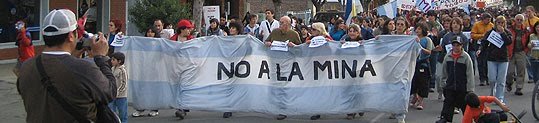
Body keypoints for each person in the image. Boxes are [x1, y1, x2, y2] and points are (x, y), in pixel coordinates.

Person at [17, 9, 117, 122]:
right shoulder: (83, 68)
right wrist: (101, 57)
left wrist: (72, 57)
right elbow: (110, 92)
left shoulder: (26, 67)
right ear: (71, 36)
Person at [264, 16, 301, 120]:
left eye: (282, 23)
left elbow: (300, 49)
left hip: (288, 65)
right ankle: (276, 106)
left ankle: (283, 109)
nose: (280, 24)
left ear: (288, 24)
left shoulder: (294, 34)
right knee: (275, 85)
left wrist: (293, 45)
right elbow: (266, 42)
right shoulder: (275, 32)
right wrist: (267, 43)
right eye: (280, 22)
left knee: (284, 87)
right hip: (275, 64)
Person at [435, 36, 475, 123]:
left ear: (462, 46)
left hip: (462, 87)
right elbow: (444, 71)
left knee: (465, 106)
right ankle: (445, 118)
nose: (456, 47)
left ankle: (468, 119)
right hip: (450, 85)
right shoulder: (448, 56)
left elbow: (470, 74)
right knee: (448, 103)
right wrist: (443, 83)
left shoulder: (466, 57)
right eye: (454, 45)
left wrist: (470, 89)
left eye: (458, 45)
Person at [478, 16, 512, 104]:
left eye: (502, 23)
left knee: (501, 80)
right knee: (492, 78)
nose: (500, 25)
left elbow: (509, 42)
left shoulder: (507, 32)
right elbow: (484, 42)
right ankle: (493, 90)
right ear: (495, 23)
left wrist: (502, 33)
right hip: (492, 58)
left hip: (503, 59)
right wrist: (480, 49)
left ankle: (499, 98)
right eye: (499, 23)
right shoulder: (490, 32)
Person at [132, 28, 160, 117]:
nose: (150, 34)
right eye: (148, 32)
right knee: (142, 89)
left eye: (152, 32)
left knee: (153, 90)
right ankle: (140, 108)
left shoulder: (159, 43)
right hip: (143, 69)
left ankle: (154, 109)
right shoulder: (142, 43)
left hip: (155, 69)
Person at [409, 23, 434, 111]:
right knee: (414, 81)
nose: (417, 31)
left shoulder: (427, 40)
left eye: (419, 29)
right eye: (417, 29)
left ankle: (420, 101)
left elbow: (429, 52)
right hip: (414, 62)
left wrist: (421, 48)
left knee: (422, 82)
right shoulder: (413, 39)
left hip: (423, 63)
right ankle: (415, 96)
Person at [506, 14, 531, 96]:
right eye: (518, 20)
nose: (519, 21)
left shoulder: (526, 31)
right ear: (515, 20)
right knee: (510, 72)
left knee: (521, 71)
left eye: (521, 20)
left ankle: (519, 88)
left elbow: (528, 41)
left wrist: (526, 50)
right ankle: (509, 83)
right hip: (511, 52)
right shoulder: (510, 29)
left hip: (521, 52)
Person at [472, 13, 494, 86]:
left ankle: (488, 78)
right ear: (483, 19)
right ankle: (482, 79)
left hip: (488, 45)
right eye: (487, 20)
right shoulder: (477, 25)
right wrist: (482, 36)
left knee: (487, 63)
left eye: (489, 20)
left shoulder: (491, 25)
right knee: (480, 62)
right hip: (478, 45)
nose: (488, 21)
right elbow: (472, 35)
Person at [108, 52, 128, 123]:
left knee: (122, 113)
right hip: (112, 94)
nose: (111, 61)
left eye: (113, 60)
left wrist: (118, 92)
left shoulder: (122, 71)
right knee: (111, 112)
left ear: (119, 61)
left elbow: (124, 83)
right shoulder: (112, 69)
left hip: (121, 96)